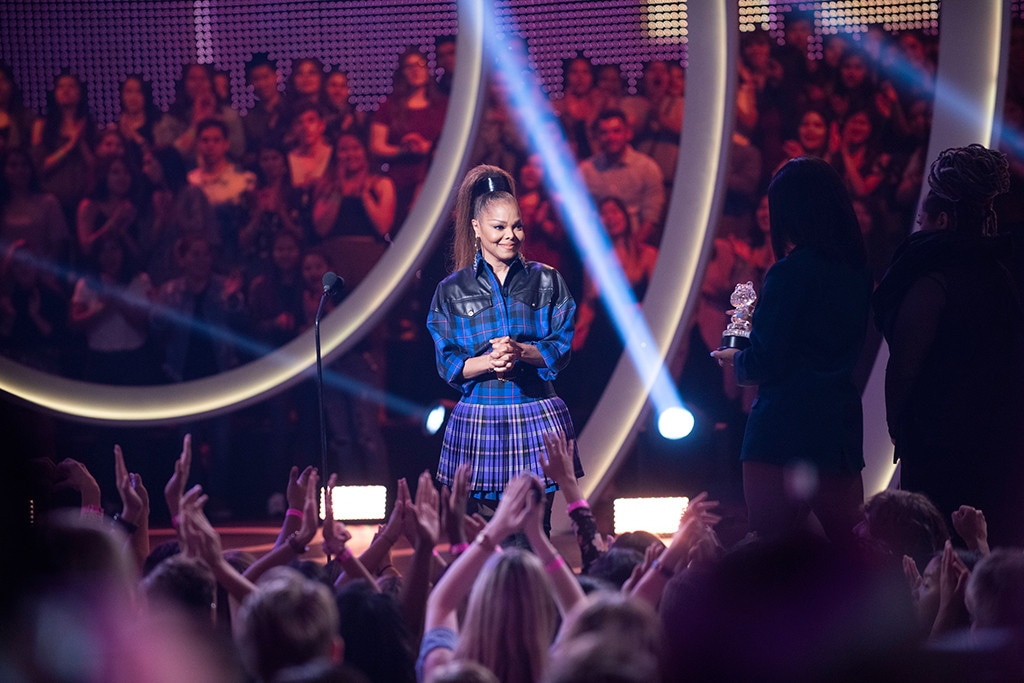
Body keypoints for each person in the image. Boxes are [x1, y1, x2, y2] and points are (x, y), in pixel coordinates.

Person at [712, 156, 872, 544]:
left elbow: (765, 360)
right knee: (850, 550)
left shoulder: (789, 271)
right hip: (837, 429)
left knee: (770, 553)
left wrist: (737, 359)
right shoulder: (857, 271)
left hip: (782, 431)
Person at [872, 144, 1024, 547]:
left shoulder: (932, 280)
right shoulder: (1002, 276)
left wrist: (897, 425)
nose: (918, 228)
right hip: (996, 443)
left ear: (942, 220)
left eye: (921, 220)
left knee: (932, 545)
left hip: (937, 442)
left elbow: (904, 367)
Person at [426, 165, 581, 529]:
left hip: (535, 413)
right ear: (477, 228)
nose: (510, 235)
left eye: (517, 226)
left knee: (535, 530)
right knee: (489, 535)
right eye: (499, 227)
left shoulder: (547, 280)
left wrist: (519, 351)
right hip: (482, 419)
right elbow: (448, 364)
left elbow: (560, 348)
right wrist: (490, 361)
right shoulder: (451, 290)